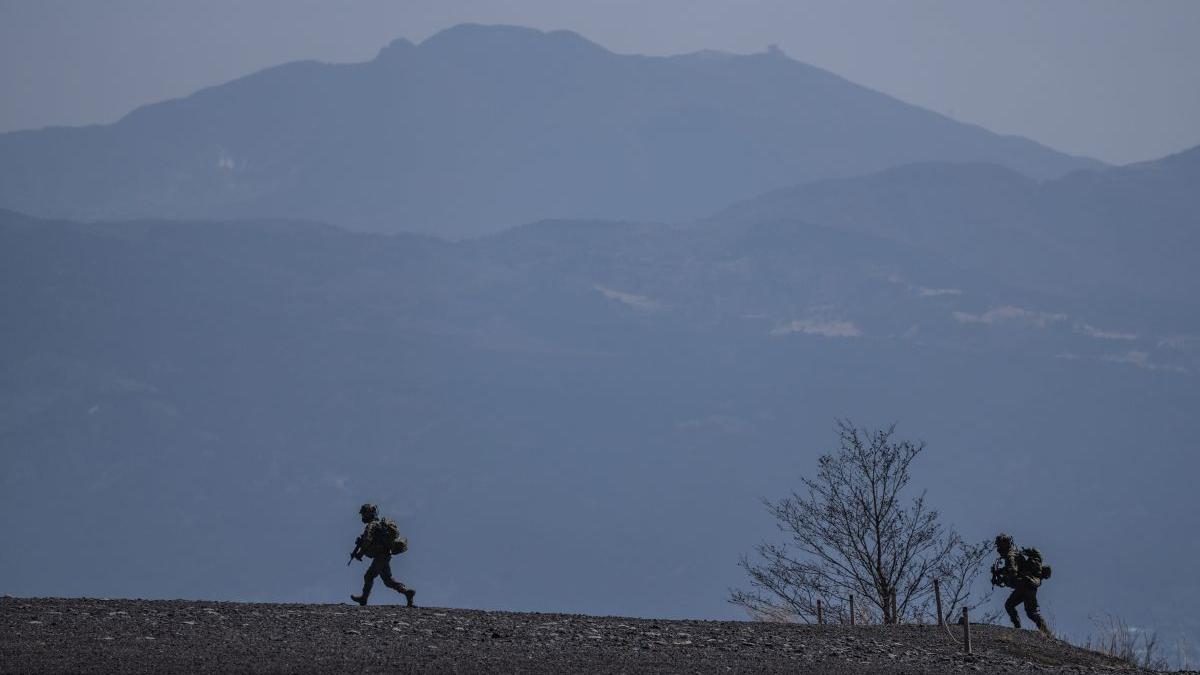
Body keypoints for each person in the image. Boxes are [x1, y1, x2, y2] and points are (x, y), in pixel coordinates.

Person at [349, 503, 415, 607]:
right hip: (384, 556)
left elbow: (367, 541)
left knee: (369, 576)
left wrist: (360, 552)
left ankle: (363, 599)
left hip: (381, 556)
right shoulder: (379, 525)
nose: (363, 517)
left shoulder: (371, 526)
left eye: (364, 514)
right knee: (388, 581)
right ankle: (407, 592)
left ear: (368, 514)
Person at [991, 533, 1051, 634]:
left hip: (1025, 586)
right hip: (1027, 585)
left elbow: (1012, 572)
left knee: (1028, 611)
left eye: (999, 545)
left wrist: (1001, 578)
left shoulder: (1010, 556)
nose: (998, 548)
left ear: (1003, 545)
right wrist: (1000, 573)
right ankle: (1022, 630)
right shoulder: (1015, 553)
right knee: (1027, 611)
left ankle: (1045, 634)